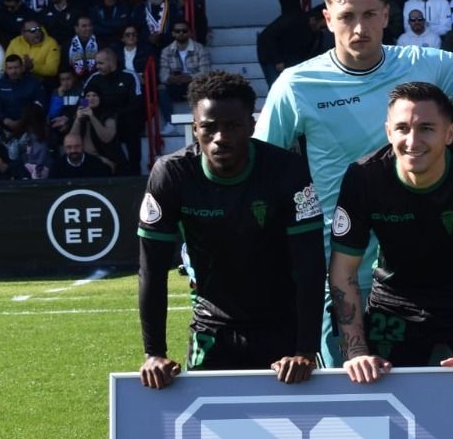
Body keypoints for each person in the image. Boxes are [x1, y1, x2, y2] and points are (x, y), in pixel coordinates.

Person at [256, 0, 453, 367]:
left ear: (386, 15)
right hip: (341, 273)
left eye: (369, 15)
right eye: (346, 17)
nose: (359, 28)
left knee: (429, 398)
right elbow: (260, 169)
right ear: (327, 19)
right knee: (349, 398)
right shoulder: (296, 84)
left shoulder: (422, 63)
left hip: (417, 274)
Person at [136, 71, 324, 389]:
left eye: (232, 126)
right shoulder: (171, 174)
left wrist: (305, 349)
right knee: (206, 434)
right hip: (212, 327)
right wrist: (154, 353)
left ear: (251, 126)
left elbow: (310, 266)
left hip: (282, 328)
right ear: (194, 128)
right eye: (208, 128)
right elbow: (152, 270)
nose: (220, 137)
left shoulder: (287, 171)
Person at [329, 82, 453, 381]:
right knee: (373, 390)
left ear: (450, 134)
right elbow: (342, 271)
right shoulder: (363, 177)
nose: (412, 140)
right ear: (389, 132)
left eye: (426, 128)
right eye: (402, 128)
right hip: (395, 302)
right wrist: (357, 352)